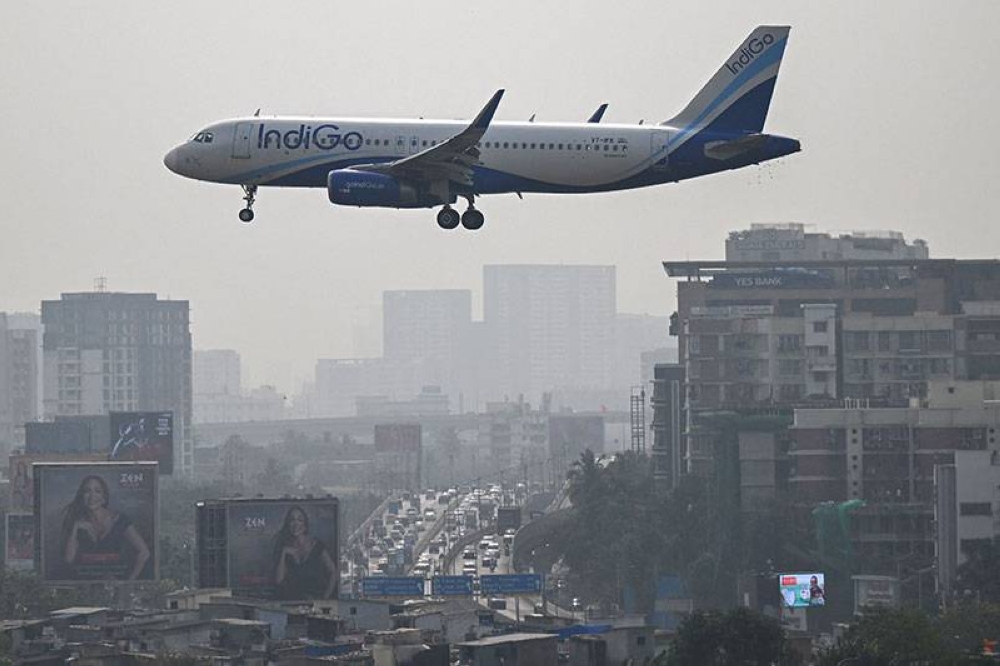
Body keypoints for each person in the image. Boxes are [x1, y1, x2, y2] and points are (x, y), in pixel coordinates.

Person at [61, 475, 151, 580]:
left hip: (115, 584)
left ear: (104, 497)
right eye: (87, 491)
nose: (92, 496)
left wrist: (129, 582)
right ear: (82, 496)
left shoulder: (120, 520)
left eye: (97, 491)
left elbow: (144, 552)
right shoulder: (78, 524)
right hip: (85, 585)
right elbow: (68, 559)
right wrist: (75, 527)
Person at [272, 505, 337, 599]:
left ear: (305, 525)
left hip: (315, 602)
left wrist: (325, 598)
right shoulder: (284, 548)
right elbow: (279, 580)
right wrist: (283, 553)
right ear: (288, 524)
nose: (296, 524)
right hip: (291, 602)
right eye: (292, 520)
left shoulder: (316, 545)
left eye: (300, 520)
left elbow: (333, 572)